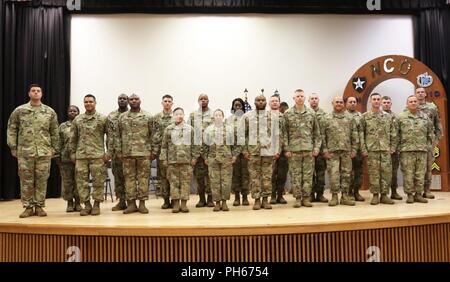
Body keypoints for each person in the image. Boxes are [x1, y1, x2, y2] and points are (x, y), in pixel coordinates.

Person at [7, 84, 59, 218]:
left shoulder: (49, 112)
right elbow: (12, 129)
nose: (36, 93)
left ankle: (39, 206)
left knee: (42, 180)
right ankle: (28, 207)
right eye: (33, 91)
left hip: (44, 152)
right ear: (29, 93)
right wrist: (13, 147)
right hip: (25, 152)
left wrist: (54, 148)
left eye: (38, 91)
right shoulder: (20, 110)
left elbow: (54, 131)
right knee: (26, 180)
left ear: (41, 94)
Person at [69, 94, 110, 216]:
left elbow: (110, 137)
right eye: (86, 102)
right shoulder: (78, 119)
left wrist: (108, 152)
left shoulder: (102, 118)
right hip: (81, 156)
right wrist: (72, 152)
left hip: (98, 156)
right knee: (81, 183)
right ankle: (86, 205)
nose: (88, 104)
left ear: (95, 103)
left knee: (98, 181)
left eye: (91, 102)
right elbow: (73, 138)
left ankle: (96, 204)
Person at [282, 89, 321, 208]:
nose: (300, 98)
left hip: (308, 149)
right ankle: (298, 198)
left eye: (302, 96)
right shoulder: (288, 113)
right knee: (296, 174)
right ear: (294, 98)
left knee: (308, 175)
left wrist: (316, 147)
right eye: (297, 96)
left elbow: (316, 133)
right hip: (294, 150)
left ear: (305, 98)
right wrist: (286, 149)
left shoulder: (311, 113)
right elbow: (284, 133)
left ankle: (306, 198)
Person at [243, 95, 281, 210]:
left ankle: (265, 200)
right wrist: (245, 151)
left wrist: (277, 150)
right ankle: (256, 200)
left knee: (267, 177)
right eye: (258, 100)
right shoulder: (247, 116)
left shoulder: (272, 117)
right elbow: (242, 135)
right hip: (253, 152)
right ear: (254, 102)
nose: (260, 102)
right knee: (254, 177)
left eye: (262, 100)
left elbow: (277, 135)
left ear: (266, 102)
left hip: (268, 152)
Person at [117, 94, 152, 214]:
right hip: (127, 154)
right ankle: (131, 204)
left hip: (144, 153)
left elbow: (154, 135)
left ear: (140, 101)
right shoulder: (122, 117)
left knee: (143, 179)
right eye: (131, 99)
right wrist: (119, 151)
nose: (133, 101)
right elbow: (117, 136)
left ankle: (142, 204)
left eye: (136, 99)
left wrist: (153, 152)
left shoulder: (147, 116)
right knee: (129, 180)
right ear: (128, 101)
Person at [160, 108, 201, 213]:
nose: (179, 116)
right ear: (173, 116)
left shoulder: (190, 129)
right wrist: (164, 159)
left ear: (184, 115)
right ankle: (176, 204)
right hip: (172, 161)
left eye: (181, 114)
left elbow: (196, 145)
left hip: (186, 161)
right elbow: (164, 146)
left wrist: (194, 158)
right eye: (177, 114)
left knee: (185, 183)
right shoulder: (168, 129)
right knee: (174, 183)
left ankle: (184, 204)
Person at [321, 96, 358, 206]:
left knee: (346, 174)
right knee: (334, 175)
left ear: (344, 104)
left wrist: (355, 149)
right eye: (336, 102)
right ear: (332, 103)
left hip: (346, 151)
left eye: (341, 102)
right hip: (332, 152)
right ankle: (334, 196)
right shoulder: (326, 118)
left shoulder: (350, 118)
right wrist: (324, 150)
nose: (339, 104)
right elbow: (322, 136)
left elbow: (354, 134)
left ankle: (345, 196)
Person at [360, 93, 396, 205]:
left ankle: (384, 195)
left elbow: (393, 133)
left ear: (381, 102)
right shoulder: (365, 117)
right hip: (372, 150)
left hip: (385, 149)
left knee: (386, 173)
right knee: (373, 173)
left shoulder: (387, 116)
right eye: (374, 99)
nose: (376, 101)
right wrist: (363, 148)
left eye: (378, 99)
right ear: (370, 101)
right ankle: (375, 195)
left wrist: (393, 147)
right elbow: (361, 133)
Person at [397, 95, 434, 204]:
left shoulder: (425, 117)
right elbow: (396, 134)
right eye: (411, 101)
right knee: (408, 174)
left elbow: (430, 133)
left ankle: (418, 194)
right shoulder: (401, 117)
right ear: (407, 104)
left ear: (418, 103)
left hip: (422, 150)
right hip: (406, 150)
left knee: (420, 173)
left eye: (415, 101)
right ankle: (409, 195)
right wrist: (398, 148)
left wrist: (428, 146)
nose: (413, 103)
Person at [204, 109, 237, 212]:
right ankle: (217, 203)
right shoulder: (208, 130)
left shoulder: (230, 129)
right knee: (214, 182)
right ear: (213, 117)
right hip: (213, 159)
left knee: (226, 182)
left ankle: (224, 202)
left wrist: (234, 155)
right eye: (216, 115)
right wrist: (205, 157)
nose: (218, 117)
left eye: (220, 115)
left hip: (226, 159)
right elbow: (204, 145)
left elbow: (236, 144)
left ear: (223, 117)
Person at [416, 87, 443, 199]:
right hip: (414, 143)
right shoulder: (412, 106)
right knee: (415, 168)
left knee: (427, 167)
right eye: (418, 92)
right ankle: (416, 192)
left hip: (428, 142)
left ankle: (427, 190)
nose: (420, 94)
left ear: (425, 94)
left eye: (422, 92)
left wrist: (436, 140)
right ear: (415, 94)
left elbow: (438, 124)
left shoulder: (432, 107)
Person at [188, 94, 214, 208]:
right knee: (199, 177)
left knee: (211, 176)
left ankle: (210, 199)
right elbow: (188, 131)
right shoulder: (193, 115)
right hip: (197, 151)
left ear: (208, 100)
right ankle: (201, 199)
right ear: (198, 101)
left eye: (205, 99)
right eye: (201, 99)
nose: (203, 101)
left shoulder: (213, 114)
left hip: (210, 151)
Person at [152, 95, 174, 209]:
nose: (167, 103)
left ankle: (174, 199)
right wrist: (154, 151)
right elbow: (154, 135)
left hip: (174, 153)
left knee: (173, 176)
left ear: (172, 103)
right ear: (162, 103)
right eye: (165, 101)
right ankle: (166, 200)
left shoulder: (177, 116)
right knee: (163, 177)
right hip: (161, 152)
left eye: (169, 101)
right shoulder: (156, 118)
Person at [58, 105, 82, 212]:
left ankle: (78, 202)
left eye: (75, 111)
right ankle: (69, 203)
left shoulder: (82, 124)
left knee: (79, 181)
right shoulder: (62, 126)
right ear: (68, 113)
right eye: (70, 111)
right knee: (67, 182)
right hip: (66, 159)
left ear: (78, 112)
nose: (72, 112)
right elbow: (58, 142)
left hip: (80, 158)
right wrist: (57, 156)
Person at [107, 94, 129, 211]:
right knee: (118, 177)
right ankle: (121, 201)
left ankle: (131, 202)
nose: (122, 100)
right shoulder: (111, 116)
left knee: (130, 178)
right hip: (116, 153)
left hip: (129, 152)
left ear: (128, 101)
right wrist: (109, 152)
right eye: (120, 98)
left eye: (124, 99)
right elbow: (109, 135)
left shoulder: (132, 115)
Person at [227, 98, 250, 206]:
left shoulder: (248, 119)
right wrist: (231, 153)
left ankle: (245, 196)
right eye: (235, 105)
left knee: (245, 174)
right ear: (233, 107)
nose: (238, 107)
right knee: (235, 175)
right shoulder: (228, 120)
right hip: (234, 152)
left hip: (246, 151)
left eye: (240, 105)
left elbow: (251, 135)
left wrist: (247, 150)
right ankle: (236, 197)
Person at [381, 96, 402, 200]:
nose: (386, 104)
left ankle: (394, 192)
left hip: (394, 150)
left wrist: (395, 148)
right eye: (384, 102)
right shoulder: (378, 116)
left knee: (394, 172)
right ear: (381, 103)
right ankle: (382, 194)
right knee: (381, 173)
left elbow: (400, 133)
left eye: (388, 102)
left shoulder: (397, 117)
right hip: (381, 149)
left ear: (391, 104)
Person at [308, 93, 328, 203]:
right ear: (309, 101)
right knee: (309, 173)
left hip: (321, 149)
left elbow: (326, 132)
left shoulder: (324, 114)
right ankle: (310, 194)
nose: (314, 100)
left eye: (316, 98)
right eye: (312, 99)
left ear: (318, 100)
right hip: (308, 148)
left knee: (320, 173)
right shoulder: (306, 113)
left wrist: (325, 149)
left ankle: (320, 194)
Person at [269, 94, 288, 205]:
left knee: (282, 174)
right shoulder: (265, 117)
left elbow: (287, 133)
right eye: (273, 101)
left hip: (283, 150)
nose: (275, 103)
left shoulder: (284, 117)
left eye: (276, 101)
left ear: (279, 103)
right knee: (270, 174)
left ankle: (280, 195)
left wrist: (284, 149)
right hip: (269, 150)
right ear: (269, 103)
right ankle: (272, 195)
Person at [345, 96, 365, 202]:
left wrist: (363, 148)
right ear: (346, 103)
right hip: (346, 149)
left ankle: (356, 192)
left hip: (358, 149)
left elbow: (363, 133)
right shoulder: (343, 115)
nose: (352, 103)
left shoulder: (360, 116)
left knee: (358, 172)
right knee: (347, 172)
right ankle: (349, 193)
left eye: (354, 102)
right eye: (350, 102)